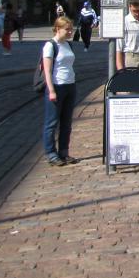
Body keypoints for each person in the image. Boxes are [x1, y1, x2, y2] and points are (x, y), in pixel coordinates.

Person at [42, 16, 78, 166]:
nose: (70, 32)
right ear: (58, 29)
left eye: (71, 29)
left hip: (70, 85)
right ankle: (51, 153)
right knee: (52, 122)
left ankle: (64, 151)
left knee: (67, 122)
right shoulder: (50, 45)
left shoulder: (68, 45)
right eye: (67, 29)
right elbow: (47, 70)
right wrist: (51, 90)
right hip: (57, 87)